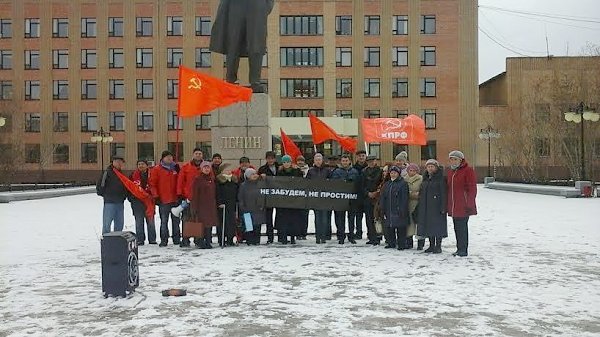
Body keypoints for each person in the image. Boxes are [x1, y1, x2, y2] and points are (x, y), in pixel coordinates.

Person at [209, 0, 274, 93]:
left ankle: (255, 82)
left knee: (256, 43)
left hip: (257, 5)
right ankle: (230, 80)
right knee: (233, 42)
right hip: (236, 5)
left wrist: (265, 6)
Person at [446, 150, 477, 257]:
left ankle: (463, 250)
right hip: (453, 205)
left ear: (460, 160)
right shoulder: (451, 172)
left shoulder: (468, 170)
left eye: (455, 159)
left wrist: (469, 203)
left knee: (462, 228)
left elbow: (472, 188)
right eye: (451, 159)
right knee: (456, 227)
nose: (453, 161)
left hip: (463, 205)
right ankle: (459, 248)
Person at [149, 151, 181, 247]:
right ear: (163, 158)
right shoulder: (157, 169)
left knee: (176, 221)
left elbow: (180, 181)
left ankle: (176, 239)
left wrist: (180, 194)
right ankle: (164, 239)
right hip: (163, 200)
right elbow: (152, 184)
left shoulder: (175, 168)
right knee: (164, 221)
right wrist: (156, 196)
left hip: (175, 199)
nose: (169, 159)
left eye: (171, 157)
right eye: (167, 157)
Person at [417, 159, 447, 254]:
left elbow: (443, 193)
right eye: (428, 166)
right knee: (428, 226)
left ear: (436, 167)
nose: (430, 168)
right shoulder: (425, 178)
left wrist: (443, 207)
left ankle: (438, 246)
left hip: (437, 206)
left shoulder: (441, 178)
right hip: (426, 206)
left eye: (432, 166)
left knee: (437, 226)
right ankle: (431, 245)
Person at [176, 148, 204, 247]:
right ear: (193, 155)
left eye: (200, 153)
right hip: (187, 196)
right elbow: (180, 180)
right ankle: (185, 239)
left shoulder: (205, 166)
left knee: (197, 219)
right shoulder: (186, 167)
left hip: (200, 198)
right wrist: (180, 194)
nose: (198, 155)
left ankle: (197, 238)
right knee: (187, 218)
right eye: (196, 153)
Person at [330, 154, 360, 244]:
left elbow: (358, 184)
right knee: (340, 219)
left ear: (349, 161)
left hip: (352, 199)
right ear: (341, 162)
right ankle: (341, 236)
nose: (345, 162)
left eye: (346, 161)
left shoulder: (355, 171)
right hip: (340, 199)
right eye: (343, 161)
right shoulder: (336, 171)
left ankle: (351, 236)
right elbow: (333, 183)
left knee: (351, 218)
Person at [274, 155, 304, 244]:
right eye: (284, 162)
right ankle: (283, 237)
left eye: (288, 162)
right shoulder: (279, 172)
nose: (286, 164)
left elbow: (301, 182)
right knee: (283, 219)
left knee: (293, 219)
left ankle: (292, 237)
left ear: (291, 163)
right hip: (283, 200)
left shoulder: (296, 171)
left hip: (294, 199)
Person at [189, 161, 218, 249]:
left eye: (208, 167)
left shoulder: (212, 179)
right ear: (201, 169)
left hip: (210, 205)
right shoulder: (198, 179)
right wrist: (194, 206)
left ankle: (208, 241)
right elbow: (194, 193)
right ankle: (200, 241)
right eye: (205, 167)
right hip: (200, 205)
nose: (206, 169)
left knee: (209, 224)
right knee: (200, 223)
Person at [380, 166, 410, 250]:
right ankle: (391, 243)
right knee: (390, 227)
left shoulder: (403, 183)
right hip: (388, 208)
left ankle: (401, 244)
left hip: (399, 208)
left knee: (400, 227)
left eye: (395, 173)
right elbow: (383, 196)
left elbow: (405, 198)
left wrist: (402, 208)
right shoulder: (387, 184)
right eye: (391, 173)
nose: (393, 175)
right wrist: (382, 207)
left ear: (398, 174)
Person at [96, 156, 128, 235]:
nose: (119, 163)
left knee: (119, 223)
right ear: (113, 162)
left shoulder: (122, 174)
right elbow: (100, 185)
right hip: (109, 202)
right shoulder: (107, 172)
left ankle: (117, 239)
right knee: (107, 223)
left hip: (120, 202)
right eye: (117, 161)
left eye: (121, 162)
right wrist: (106, 195)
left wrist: (124, 196)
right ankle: (106, 240)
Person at [129, 159, 156, 245]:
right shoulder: (133, 175)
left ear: (147, 165)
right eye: (139, 164)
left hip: (149, 202)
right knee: (139, 222)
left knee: (151, 222)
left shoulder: (152, 174)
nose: (141, 166)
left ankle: (152, 239)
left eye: (143, 164)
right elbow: (129, 188)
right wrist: (132, 199)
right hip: (137, 202)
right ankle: (140, 240)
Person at [306, 153, 332, 244]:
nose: (318, 161)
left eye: (319, 159)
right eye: (316, 159)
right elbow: (307, 183)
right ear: (314, 161)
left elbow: (332, 183)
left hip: (325, 198)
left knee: (324, 218)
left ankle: (324, 237)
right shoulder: (311, 171)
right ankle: (318, 236)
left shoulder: (327, 170)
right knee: (317, 218)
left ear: (322, 160)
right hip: (315, 198)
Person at [238, 168, 266, 245]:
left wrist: (262, 205)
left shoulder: (260, 183)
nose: (254, 175)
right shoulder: (243, 185)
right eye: (252, 174)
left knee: (257, 226)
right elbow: (241, 197)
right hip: (247, 209)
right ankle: (249, 241)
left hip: (258, 209)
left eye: (255, 174)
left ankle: (257, 240)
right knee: (249, 227)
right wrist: (242, 207)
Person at [258, 151, 279, 244]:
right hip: (268, 196)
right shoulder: (262, 169)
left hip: (279, 196)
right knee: (268, 218)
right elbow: (258, 181)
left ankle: (281, 236)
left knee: (280, 217)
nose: (270, 160)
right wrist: (260, 177)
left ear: (275, 159)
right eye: (268, 158)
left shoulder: (280, 167)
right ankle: (270, 237)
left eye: (272, 158)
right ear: (266, 159)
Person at [362, 155, 383, 245]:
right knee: (368, 218)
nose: (371, 163)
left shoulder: (380, 171)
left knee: (377, 218)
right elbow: (361, 185)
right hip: (367, 197)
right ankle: (371, 237)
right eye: (369, 161)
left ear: (375, 161)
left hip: (377, 198)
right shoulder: (364, 172)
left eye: (372, 161)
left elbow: (382, 183)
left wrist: (376, 193)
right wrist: (367, 193)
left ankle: (378, 237)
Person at [216, 165, 239, 247]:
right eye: (226, 170)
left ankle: (230, 239)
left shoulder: (234, 180)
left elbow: (237, 191)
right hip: (223, 205)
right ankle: (221, 239)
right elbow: (217, 192)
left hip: (232, 204)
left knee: (231, 223)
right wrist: (219, 202)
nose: (228, 172)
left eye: (229, 170)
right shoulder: (219, 180)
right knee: (222, 223)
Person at [405, 163, 424, 249]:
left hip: (418, 204)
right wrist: (409, 194)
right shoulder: (405, 179)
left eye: (414, 171)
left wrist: (418, 195)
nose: (412, 172)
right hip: (408, 204)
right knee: (409, 224)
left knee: (419, 224)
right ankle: (409, 242)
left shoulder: (421, 179)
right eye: (410, 170)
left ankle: (420, 243)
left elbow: (423, 190)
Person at [352, 150, 368, 239]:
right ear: (357, 157)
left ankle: (371, 233)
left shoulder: (368, 167)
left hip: (367, 195)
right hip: (357, 195)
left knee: (369, 217)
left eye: (363, 156)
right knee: (358, 216)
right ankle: (358, 232)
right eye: (359, 156)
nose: (361, 157)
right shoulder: (354, 168)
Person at [295, 155, 310, 240]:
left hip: (306, 196)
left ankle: (304, 233)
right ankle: (297, 233)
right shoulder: (295, 169)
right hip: (297, 196)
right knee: (297, 216)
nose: (300, 162)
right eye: (298, 160)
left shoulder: (309, 170)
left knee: (305, 215)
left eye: (301, 160)